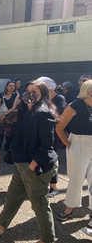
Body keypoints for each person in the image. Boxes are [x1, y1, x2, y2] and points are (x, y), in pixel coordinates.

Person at [0, 80, 59, 243]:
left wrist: (33, 165)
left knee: (39, 203)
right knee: (13, 196)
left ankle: (47, 239)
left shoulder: (44, 113)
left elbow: (47, 145)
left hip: (35, 166)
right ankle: (0, 225)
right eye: (27, 90)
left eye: (35, 90)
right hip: (21, 165)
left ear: (43, 95)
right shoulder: (24, 111)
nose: (29, 93)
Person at [55, 80, 92, 225]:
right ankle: (68, 210)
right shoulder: (74, 106)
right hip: (78, 143)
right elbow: (59, 127)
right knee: (76, 179)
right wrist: (69, 145)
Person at [37, 76, 66, 198]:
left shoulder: (59, 98)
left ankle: (53, 186)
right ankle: (41, 184)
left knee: (51, 157)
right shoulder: (42, 98)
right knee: (39, 155)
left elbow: (59, 116)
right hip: (40, 131)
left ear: (49, 87)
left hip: (53, 132)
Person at [0, 81, 19, 152]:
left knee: (9, 133)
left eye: (13, 86)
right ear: (7, 87)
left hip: (10, 117)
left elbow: (14, 107)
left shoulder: (16, 95)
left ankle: (8, 149)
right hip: (1, 116)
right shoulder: (1, 94)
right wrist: (0, 114)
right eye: (10, 86)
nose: (12, 87)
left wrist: (5, 113)